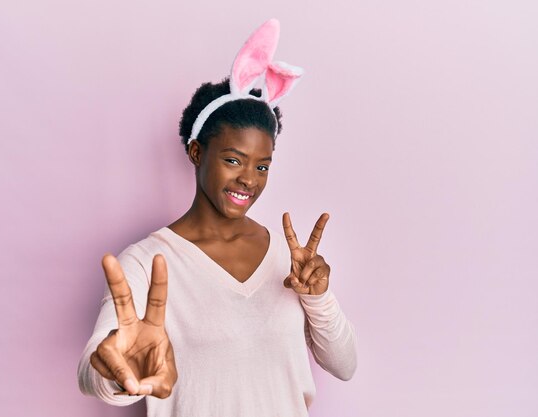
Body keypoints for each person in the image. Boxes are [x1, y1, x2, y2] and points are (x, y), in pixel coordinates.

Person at [77, 19, 357, 417]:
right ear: (195, 153)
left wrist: (319, 299)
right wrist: (117, 372)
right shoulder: (145, 262)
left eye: (263, 166)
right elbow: (94, 366)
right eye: (232, 160)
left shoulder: (288, 259)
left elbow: (344, 366)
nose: (248, 179)